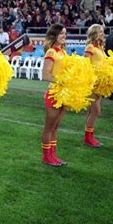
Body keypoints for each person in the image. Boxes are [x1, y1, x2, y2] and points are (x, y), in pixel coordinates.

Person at [41, 23, 68, 167]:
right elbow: (45, 75)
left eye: (65, 33)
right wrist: (62, 81)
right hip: (54, 93)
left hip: (63, 94)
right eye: (61, 33)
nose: (64, 36)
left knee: (55, 127)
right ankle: (46, 156)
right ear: (54, 35)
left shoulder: (62, 52)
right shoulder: (51, 52)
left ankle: (53, 155)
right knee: (49, 127)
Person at [84, 24, 106, 148]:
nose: (102, 34)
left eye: (103, 32)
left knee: (91, 110)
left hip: (100, 83)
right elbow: (85, 63)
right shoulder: (90, 46)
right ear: (94, 33)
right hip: (91, 82)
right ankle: (88, 137)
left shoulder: (101, 47)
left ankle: (88, 136)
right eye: (100, 32)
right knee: (96, 111)